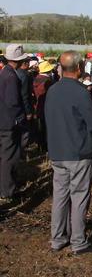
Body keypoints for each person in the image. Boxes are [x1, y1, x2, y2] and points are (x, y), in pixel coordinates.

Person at [44, 51, 92, 255]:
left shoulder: (52, 90)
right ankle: (78, 242)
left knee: (60, 196)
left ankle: (57, 239)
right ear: (78, 69)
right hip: (78, 153)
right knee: (79, 197)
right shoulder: (80, 93)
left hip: (57, 152)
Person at [0, 44, 28, 200]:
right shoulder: (11, 77)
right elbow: (12, 102)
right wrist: (20, 119)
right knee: (9, 157)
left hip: (3, 121)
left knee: (4, 156)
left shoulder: (4, 72)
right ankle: (7, 191)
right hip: (9, 124)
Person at [33, 60, 55, 151]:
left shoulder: (36, 78)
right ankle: (45, 146)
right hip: (46, 107)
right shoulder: (48, 81)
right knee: (46, 128)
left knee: (39, 127)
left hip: (36, 106)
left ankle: (39, 145)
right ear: (48, 71)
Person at [15, 57, 34, 149]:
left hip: (16, 105)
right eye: (28, 62)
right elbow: (25, 94)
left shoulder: (16, 72)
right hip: (23, 106)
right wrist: (28, 111)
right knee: (25, 130)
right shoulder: (25, 75)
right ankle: (22, 151)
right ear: (25, 63)